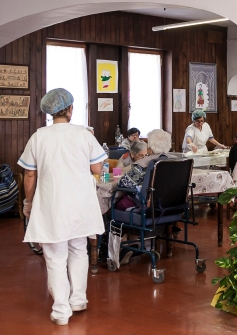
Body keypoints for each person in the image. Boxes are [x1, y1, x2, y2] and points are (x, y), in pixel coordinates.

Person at [18, 88, 106, 325]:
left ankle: (61, 311)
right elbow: (97, 169)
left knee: (55, 256)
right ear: (70, 109)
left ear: (49, 112)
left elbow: (29, 175)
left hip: (52, 204)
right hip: (80, 204)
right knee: (79, 248)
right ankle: (78, 299)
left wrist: (28, 202)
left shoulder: (39, 137)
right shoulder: (84, 134)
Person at [115, 129, 174, 210]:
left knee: (116, 204)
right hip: (171, 204)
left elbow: (123, 184)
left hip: (146, 206)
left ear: (150, 148)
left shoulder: (144, 163)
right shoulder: (176, 160)